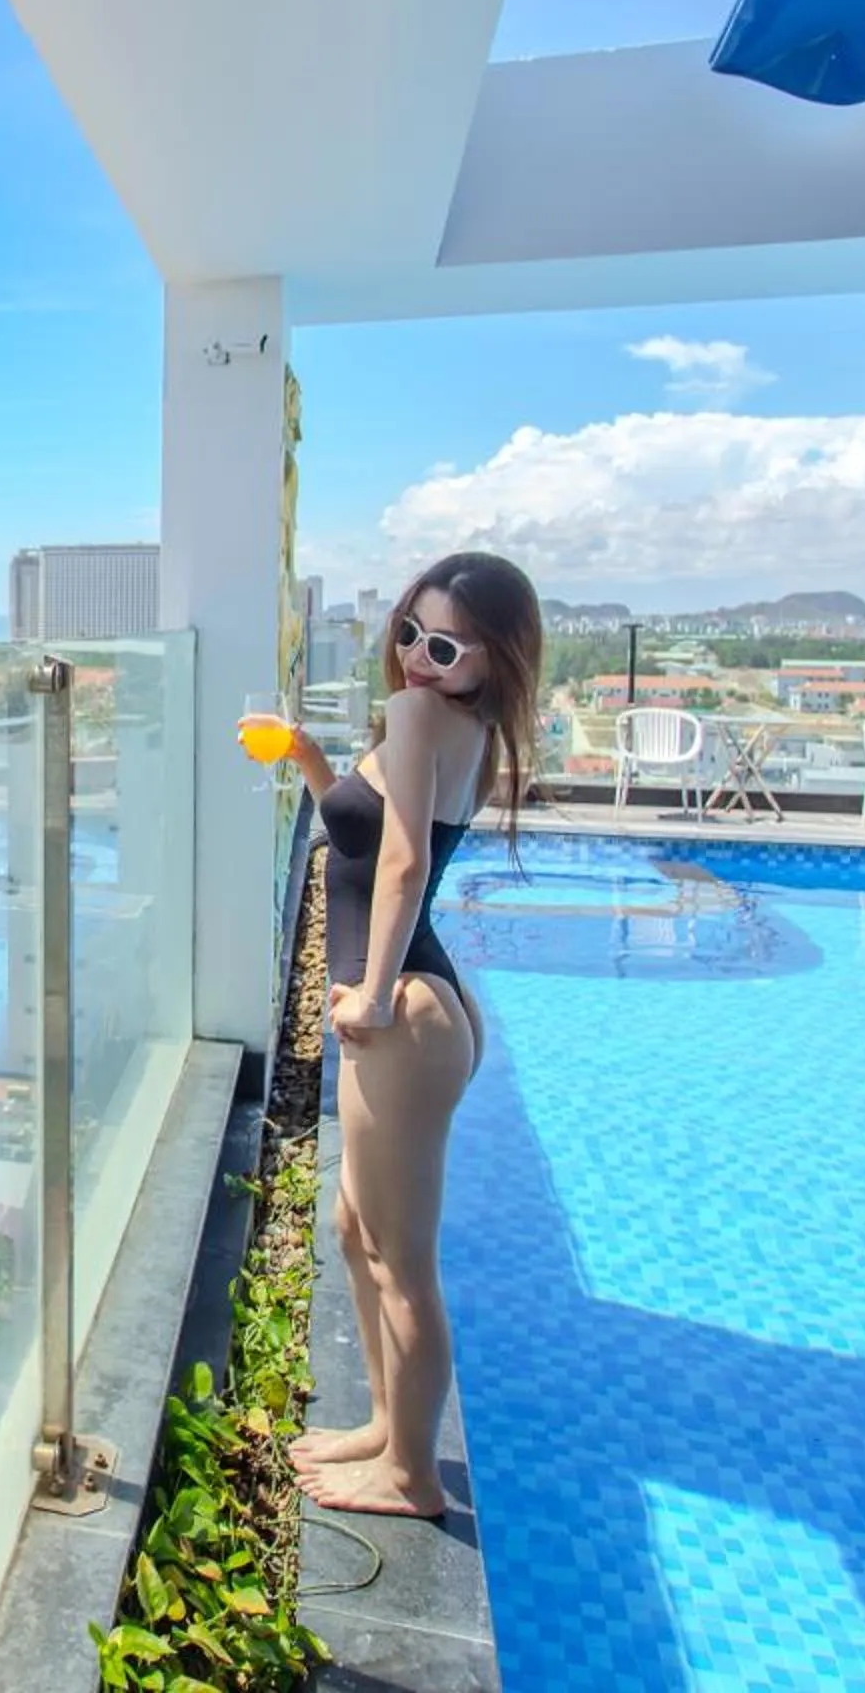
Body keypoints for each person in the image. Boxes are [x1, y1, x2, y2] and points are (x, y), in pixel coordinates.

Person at [254, 551, 543, 1520]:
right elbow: (365, 835)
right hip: (423, 1001)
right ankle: (387, 1424)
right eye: (409, 632)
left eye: (445, 642)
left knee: (398, 1255)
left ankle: (411, 1474)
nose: (417, 656)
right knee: (353, 1227)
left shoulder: (423, 715)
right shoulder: (456, 723)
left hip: (404, 1008)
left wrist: (372, 993)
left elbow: (406, 863)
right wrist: (308, 762)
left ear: (491, 656)